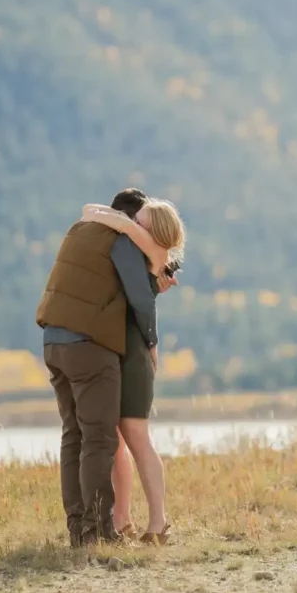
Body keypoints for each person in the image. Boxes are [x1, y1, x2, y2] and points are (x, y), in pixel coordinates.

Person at [35, 188, 163, 547]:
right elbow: (139, 298)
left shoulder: (80, 229)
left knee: (73, 435)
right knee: (100, 438)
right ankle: (98, 530)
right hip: (89, 347)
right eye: (143, 226)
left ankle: (78, 528)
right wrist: (152, 341)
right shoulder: (119, 238)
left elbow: (104, 288)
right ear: (131, 220)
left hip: (53, 342)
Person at [80, 196, 185, 545]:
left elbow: (140, 307)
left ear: (153, 232)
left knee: (138, 439)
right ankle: (122, 519)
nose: (132, 226)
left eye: (140, 223)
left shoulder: (148, 252)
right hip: (120, 353)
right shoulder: (139, 259)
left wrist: (153, 343)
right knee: (118, 443)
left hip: (134, 357)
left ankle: (159, 523)